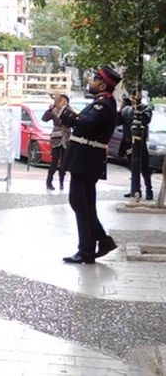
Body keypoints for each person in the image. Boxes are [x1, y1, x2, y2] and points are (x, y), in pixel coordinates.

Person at [59, 65, 121, 264]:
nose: (91, 82)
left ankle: (89, 248)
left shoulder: (103, 104)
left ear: (102, 84)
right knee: (84, 204)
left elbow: (85, 123)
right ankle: (99, 243)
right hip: (87, 158)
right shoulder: (102, 102)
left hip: (86, 159)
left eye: (94, 80)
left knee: (79, 203)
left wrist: (64, 110)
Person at [119, 91, 154, 200]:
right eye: (133, 96)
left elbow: (145, 120)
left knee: (144, 168)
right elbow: (118, 120)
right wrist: (122, 107)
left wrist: (136, 108)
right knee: (132, 167)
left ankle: (149, 190)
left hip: (140, 142)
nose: (135, 98)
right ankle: (135, 189)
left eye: (137, 96)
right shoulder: (126, 109)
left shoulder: (145, 108)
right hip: (129, 141)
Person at [42, 94, 71, 191]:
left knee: (64, 162)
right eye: (61, 100)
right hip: (56, 137)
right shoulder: (54, 110)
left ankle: (61, 182)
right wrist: (50, 109)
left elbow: (75, 122)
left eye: (65, 100)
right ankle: (49, 181)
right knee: (54, 161)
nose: (63, 102)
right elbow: (44, 119)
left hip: (66, 137)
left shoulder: (69, 110)